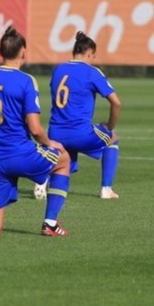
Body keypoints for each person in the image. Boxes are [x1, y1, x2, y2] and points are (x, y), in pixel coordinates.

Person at [0, 26, 73, 239]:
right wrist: (50, 143)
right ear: (23, 52)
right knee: (64, 160)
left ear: (0, 52)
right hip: (22, 155)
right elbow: (35, 129)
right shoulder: (26, 81)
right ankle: (50, 223)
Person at [36, 31, 122, 200]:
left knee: (65, 161)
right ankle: (106, 189)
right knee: (113, 139)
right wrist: (110, 126)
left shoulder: (58, 69)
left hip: (55, 134)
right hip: (80, 134)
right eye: (93, 56)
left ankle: (42, 181)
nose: (93, 60)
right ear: (89, 53)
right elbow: (116, 103)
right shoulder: (92, 72)